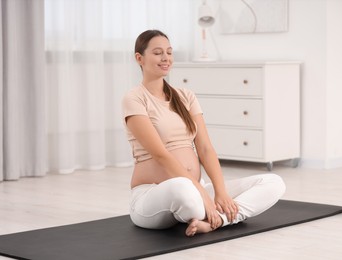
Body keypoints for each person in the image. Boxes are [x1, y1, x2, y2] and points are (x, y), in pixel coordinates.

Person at [121, 29, 285, 237]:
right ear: (139, 58)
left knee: (273, 183)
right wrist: (203, 196)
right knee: (183, 188)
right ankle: (207, 213)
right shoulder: (134, 99)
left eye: (170, 52)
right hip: (153, 196)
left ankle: (217, 221)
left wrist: (220, 192)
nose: (166, 58)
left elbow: (206, 149)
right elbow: (160, 154)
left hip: (196, 190)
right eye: (158, 52)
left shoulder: (185, 96)